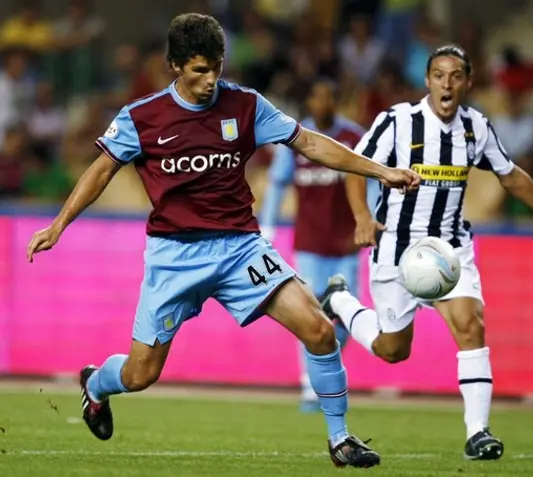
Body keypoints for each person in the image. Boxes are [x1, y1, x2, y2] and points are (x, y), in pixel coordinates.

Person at [26, 13, 421, 468]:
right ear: (175, 65)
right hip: (175, 257)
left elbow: (310, 143)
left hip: (240, 248)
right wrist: (58, 225)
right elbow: (100, 172)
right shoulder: (142, 117)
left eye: (217, 66)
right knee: (140, 374)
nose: (211, 78)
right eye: (199, 69)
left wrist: (383, 171)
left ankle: (340, 438)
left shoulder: (246, 105)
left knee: (317, 328)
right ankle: (96, 385)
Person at [320, 45, 533, 461]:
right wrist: (361, 216)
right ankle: (339, 300)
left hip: (449, 248)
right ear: (427, 80)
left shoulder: (476, 127)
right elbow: (356, 167)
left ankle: (477, 433)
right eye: (438, 75)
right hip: (397, 249)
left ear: (467, 82)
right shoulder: (398, 121)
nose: (446, 83)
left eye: (455, 76)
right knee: (393, 351)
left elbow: (510, 175)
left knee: (471, 325)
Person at [260, 78, 364, 413]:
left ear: (336, 101)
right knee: (309, 315)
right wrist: (267, 227)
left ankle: (327, 365)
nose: (323, 103)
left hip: (345, 245)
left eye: (329, 97)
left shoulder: (352, 138)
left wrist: (369, 222)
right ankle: (310, 388)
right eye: (317, 97)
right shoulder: (297, 139)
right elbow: (277, 183)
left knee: (346, 318)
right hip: (309, 244)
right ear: (311, 102)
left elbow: (368, 182)